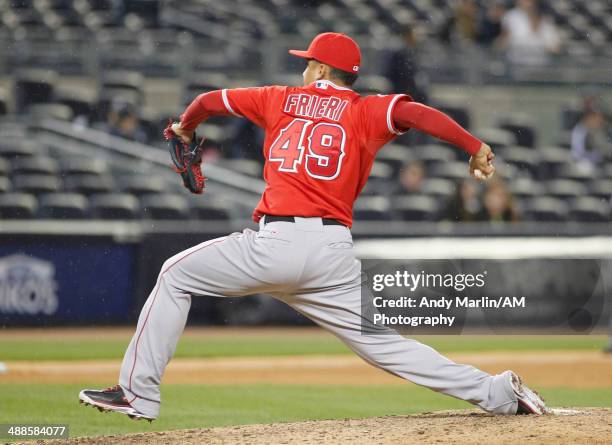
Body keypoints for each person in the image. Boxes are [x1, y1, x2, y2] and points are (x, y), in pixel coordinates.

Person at [78, 32, 547, 421]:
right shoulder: (366, 110)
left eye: (308, 62)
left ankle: (138, 392)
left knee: (175, 274)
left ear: (321, 70)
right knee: (387, 347)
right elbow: (416, 113)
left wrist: (184, 126)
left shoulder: (278, 98)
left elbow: (205, 101)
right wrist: (474, 145)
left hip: (274, 244)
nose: (304, 68)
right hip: (331, 254)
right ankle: (499, 392)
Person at [500, 0, 561, 66]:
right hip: (517, 63)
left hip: (541, 65)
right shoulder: (510, 17)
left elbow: (555, 47)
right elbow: (503, 41)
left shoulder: (546, 19)